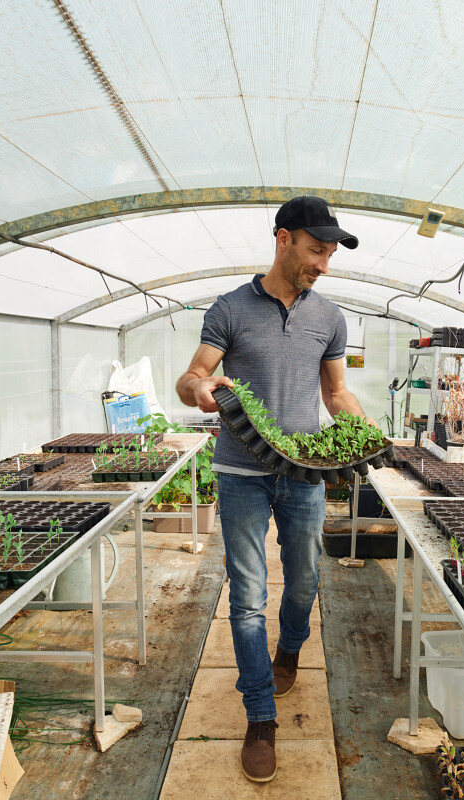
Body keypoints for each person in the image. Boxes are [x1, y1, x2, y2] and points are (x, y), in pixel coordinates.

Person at [176, 196, 372, 783]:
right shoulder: (231, 309)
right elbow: (192, 377)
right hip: (241, 475)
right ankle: (260, 716)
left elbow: (336, 394)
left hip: (304, 474)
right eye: (316, 251)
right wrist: (201, 389)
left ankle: (290, 648)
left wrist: (363, 433)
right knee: (245, 597)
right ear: (283, 239)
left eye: (331, 254)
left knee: (306, 579)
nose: (324, 264)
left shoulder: (329, 317)